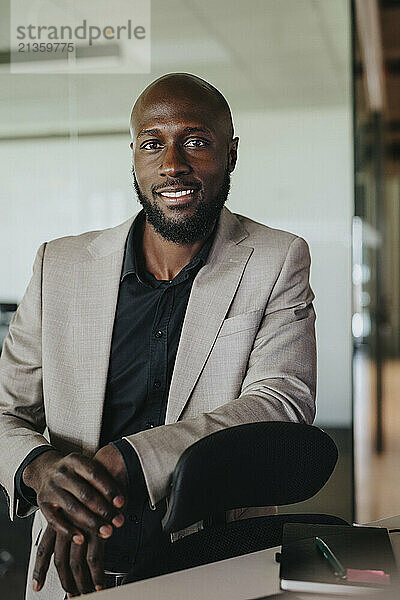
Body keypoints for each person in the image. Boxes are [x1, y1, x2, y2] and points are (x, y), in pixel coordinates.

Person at [0, 72, 316, 599]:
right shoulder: (60, 265)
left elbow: (279, 403)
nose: (174, 164)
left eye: (196, 142)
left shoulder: (276, 259)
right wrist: (39, 468)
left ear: (231, 154)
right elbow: (6, 411)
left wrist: (129, 458)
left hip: (215, 561)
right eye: (153, 144)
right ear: (135, 157)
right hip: (70, 569)